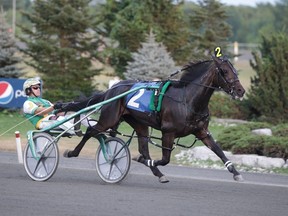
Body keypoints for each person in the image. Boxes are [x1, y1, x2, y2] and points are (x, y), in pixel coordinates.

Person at [22, 77, 95, 136]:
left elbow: (55, 112)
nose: (38, 89)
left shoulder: (45, 101)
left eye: (39, 87)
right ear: (28, 90)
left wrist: (67, 110)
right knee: (58, 119)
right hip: (42, 123)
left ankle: (97, 127)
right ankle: (74, 130)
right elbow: (39, 112)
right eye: (35, 88)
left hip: (53, 120)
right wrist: (53, 107)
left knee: (78, 115)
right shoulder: (28, 103)